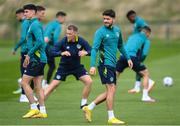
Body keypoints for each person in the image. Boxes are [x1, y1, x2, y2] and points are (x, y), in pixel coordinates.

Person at [82, 9, 133, 124]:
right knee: (111, 89)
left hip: (112, 64)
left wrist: (128, 58)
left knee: (111, 90)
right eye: (104, 18)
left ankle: (89, 107)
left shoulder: (117, 31)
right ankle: (111, 117)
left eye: (108, 19)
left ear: (113, 19)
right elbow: (94, 49)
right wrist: (92, 65)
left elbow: (121, 46)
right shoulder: (100, 32)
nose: (105, 20)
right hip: (104, 64)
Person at [44, 24, 92, 109]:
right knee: (52, 86)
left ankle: (83, 103)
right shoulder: (63, 41)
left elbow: (92, 50)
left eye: (70, 34)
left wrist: (86, 53)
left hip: (77, 67)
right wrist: (61, 53)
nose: (67, 35)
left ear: (75, 34)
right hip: (64, 67)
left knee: (89, 81)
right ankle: (38, 105)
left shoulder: (81, 41)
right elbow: (52, 52)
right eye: (67, 33)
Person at [21, 4, 47, 118]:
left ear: (33, 12)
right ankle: (43, 111)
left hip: (36, 60)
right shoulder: (34, 24)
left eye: (26, 11)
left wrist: (29, 55)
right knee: (38, 86)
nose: (25, 14)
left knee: (24, 82)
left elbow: (40, 41)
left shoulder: (35, 25)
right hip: (40, 59)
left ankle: (33, 108)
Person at [116, 26, 155, 102]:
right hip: (132, 57)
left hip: (122, 56)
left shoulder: (132, 36)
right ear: (147, 33)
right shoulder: (146, 40)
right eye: (149, 34)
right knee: (145, 73)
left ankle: (109, 94)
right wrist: (140, 62)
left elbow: (124, 46)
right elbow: (144, 54)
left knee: (115, 75)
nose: (148, 36)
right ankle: (145, 96)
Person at [126, 10, 155, 93]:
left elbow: (146, 28)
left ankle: (147, 83)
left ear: (131, 17)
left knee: (136, 65)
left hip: (141, 46)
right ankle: (137, 86)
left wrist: (142, 37)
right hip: (138, 46)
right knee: (137, 66)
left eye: (129, 19)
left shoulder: (139, 21)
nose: (130, 20)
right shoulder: (136, 22)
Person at [12, 8, 36, 102]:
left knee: (28, 73)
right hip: (27, 51)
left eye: (17, 15)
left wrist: (15, 48)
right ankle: (23, 95)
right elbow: (24, 38)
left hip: (27, 50)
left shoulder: (26, 22)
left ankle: (25, 94)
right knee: (27, 73)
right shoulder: (27, 23)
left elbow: (23, 38)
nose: (17, 17)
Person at [43, 11, 66, 87]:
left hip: (43, 47)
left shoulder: (50, 24)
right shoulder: (58, 26)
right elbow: (55, 37)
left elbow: (45, 32)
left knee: (44, 65)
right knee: (52, 66)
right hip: (49, 48)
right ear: (60, 17)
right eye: (64, 18)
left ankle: (43, 82)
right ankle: (46, 83)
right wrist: (58, 47)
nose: (64, 20)